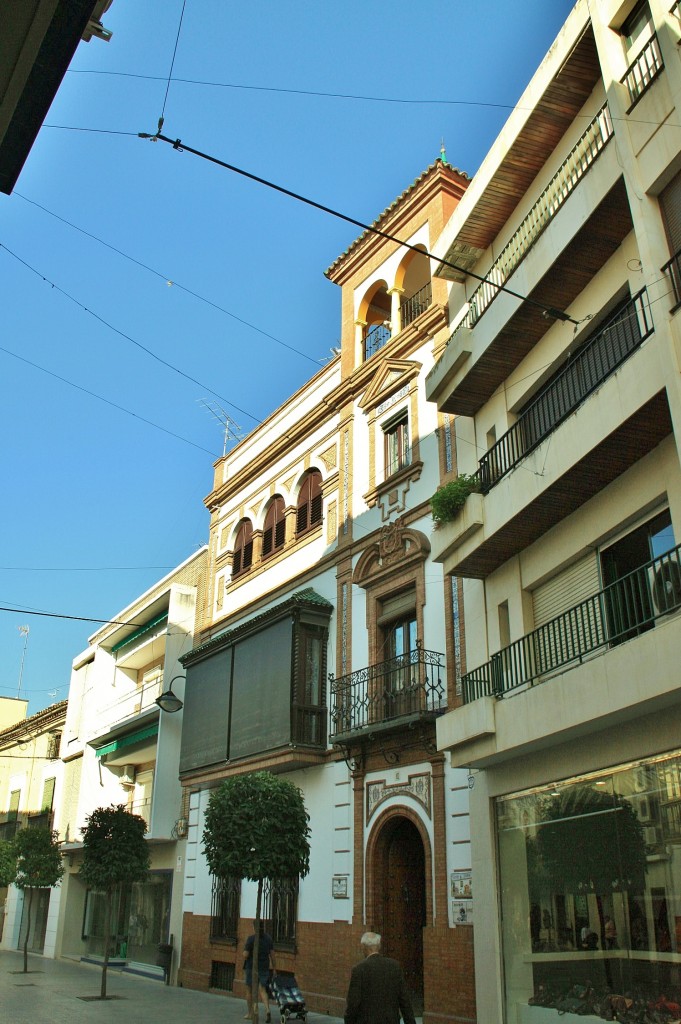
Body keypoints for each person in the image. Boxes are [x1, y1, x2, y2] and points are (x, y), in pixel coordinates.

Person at [344, 931, 416, 1024]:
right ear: (379, 947)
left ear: (364, 948)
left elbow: (353, 1003)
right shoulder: (394, 966)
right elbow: (404, 1000)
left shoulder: (359, 969)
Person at [243, 920, 276, 1022]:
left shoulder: (251, 939)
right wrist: (274, 968)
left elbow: (245, 955)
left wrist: (244, 953)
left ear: (254, 927)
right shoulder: (268, 939)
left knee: (249, 990)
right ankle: (267, 1010)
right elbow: (272, 955)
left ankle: (250, 1013)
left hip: (251, 968)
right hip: (264, 967)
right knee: (263, 990)